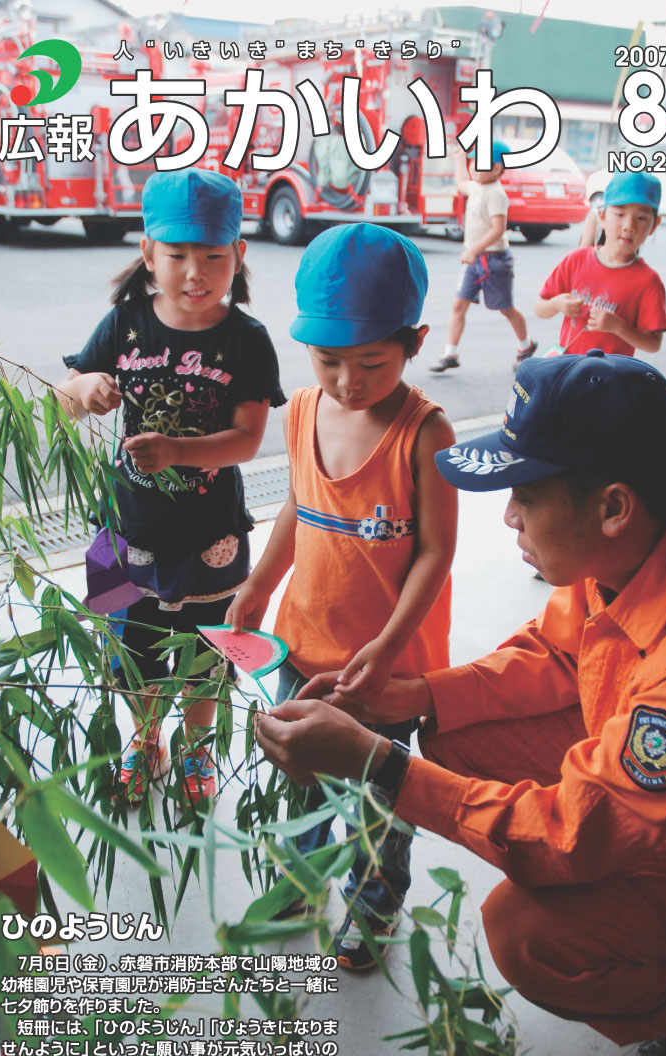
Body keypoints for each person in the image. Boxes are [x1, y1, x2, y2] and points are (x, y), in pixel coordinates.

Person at [255, 348, 666, 1056]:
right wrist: (417, 694)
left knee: (525, 931)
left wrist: (378, 765)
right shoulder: (663, 517)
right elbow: (557, 649)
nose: (508, 516)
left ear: (612, 506)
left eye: (526, 494)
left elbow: (576, 836)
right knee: (450, 730)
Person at [227, 223, 457, 970]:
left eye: (371, 362)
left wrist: (388, 647)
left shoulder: (425, 432)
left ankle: (373, 904)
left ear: (415, 342)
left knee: (381, 802)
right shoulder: (301, 411)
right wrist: (260, 583)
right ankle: (299, 879)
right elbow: (298, 505)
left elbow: (436, 549)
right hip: (302, 646)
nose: (349, 383)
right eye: (329, 361)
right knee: (299, 775)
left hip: (386, 670)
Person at [57, 169, 284, 804]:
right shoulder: (124, 323)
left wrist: (175, 452)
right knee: (136, 653)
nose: (195, 272)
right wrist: (84, 390)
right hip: (128, 530)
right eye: (178, 254)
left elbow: (246, 440)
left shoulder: (247, 338)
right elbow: (64, 402)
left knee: (206, 658)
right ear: (148, 253)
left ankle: (196, 749)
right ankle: (146, 737)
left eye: (213, 255)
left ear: (238, 256)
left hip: (210, 535)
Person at [430, 140, 537, 375]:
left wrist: (473, 249)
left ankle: (525, 346)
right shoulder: (477, 187)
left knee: (506, 308)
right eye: (473, 163)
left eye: (480, 165)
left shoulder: (496, 194)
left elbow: (498, 229)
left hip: (494, 261)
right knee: (459, 305)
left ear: (497, 168)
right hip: (475, 261)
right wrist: (459, 159)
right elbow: (460, 182)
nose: (474, 168)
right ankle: (450, 353)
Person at [536, 170, 666, 356]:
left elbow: (653, 343)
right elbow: (539, 308)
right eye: (620, 214)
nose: (629, 225)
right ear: (603, 217)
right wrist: (556, 304)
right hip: (567, 370)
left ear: (654, 225)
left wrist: (618, 327)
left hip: (610, 379)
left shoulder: (648, 281)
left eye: (641, 218)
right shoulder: (576, 260)